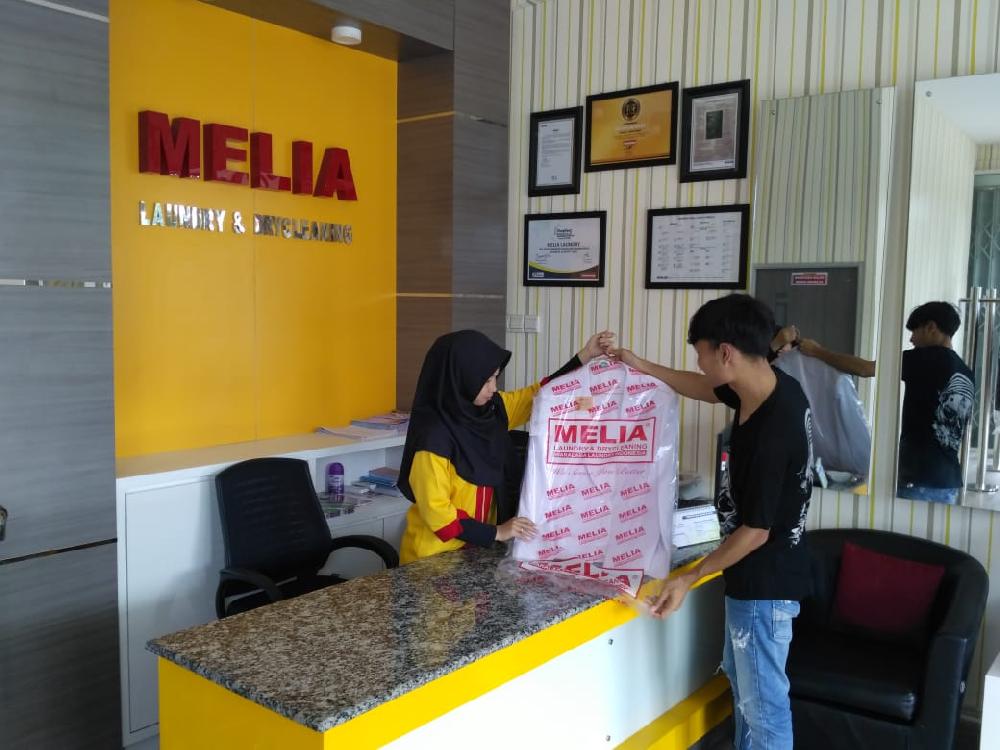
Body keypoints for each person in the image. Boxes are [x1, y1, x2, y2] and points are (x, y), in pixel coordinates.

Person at [611, 294, 812, 750]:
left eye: (701, 354)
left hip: (764, 586)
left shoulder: (772, 430)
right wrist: (639, 364)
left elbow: (756, 531)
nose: (699, 364)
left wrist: (690, 577)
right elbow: (703, 387)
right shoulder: (767, 384)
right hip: (764, 577)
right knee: (748, 701)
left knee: (764, 713)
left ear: (725, 352)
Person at [397, 328, 615, 563]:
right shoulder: (432, 439)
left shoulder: (491, 410)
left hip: (478, 553)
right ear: (460, 379)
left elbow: (541, 395)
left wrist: (585, 355)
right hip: (432, 561)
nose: (493, 388)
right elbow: (439, 515)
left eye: (495, 378)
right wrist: (498, 532)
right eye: (486, 381)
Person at [781, 301, 972, 503]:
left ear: (931, 327)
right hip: (949, 482)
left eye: (914, 331)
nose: (911, 339)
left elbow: (866, 369)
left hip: (920, 480)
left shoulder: (926, 358)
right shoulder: (965, 372)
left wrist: (817, 351)